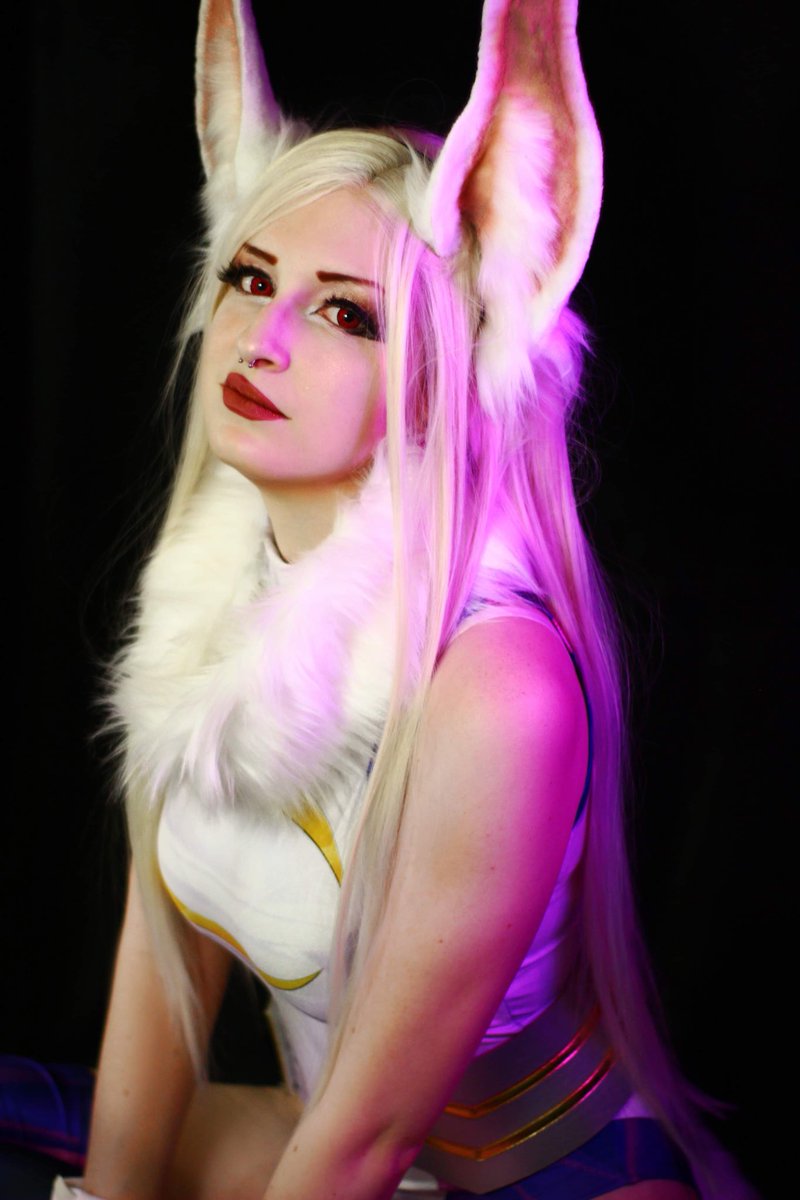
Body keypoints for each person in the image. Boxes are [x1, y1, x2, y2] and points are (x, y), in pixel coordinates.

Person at [23, 0, 750, 1197]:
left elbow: (366, 1144)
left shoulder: (497, 686)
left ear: (440, 367)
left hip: (524, 1179)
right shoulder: (209, 595)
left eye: (342, 311)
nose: (262, 338)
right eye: (249, 279)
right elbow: (162, 967)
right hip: (308, 1138)